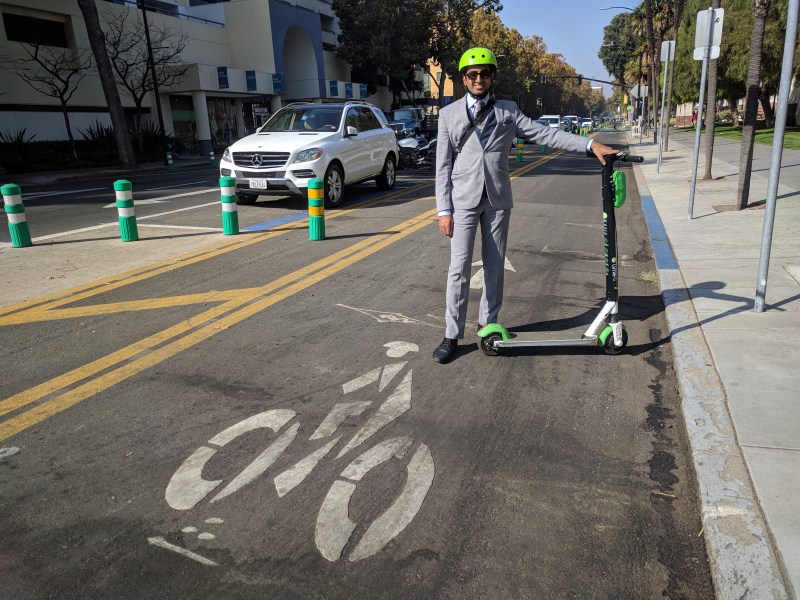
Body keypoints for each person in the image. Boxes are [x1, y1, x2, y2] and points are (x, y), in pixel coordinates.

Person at [432, 47, 619, 364]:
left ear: (492, 77)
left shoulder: (508, 111)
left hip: (497, 200)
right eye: (473, 74)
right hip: (462, 201)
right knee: (458, 269)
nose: (479, 79)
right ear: (464, 79)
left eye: (485, 73)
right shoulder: (448, 115)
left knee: (494, 267)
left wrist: (590, 144)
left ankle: (487, 326)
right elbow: (443, 167)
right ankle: (451, 335)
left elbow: (546, 135)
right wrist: (444, 210)